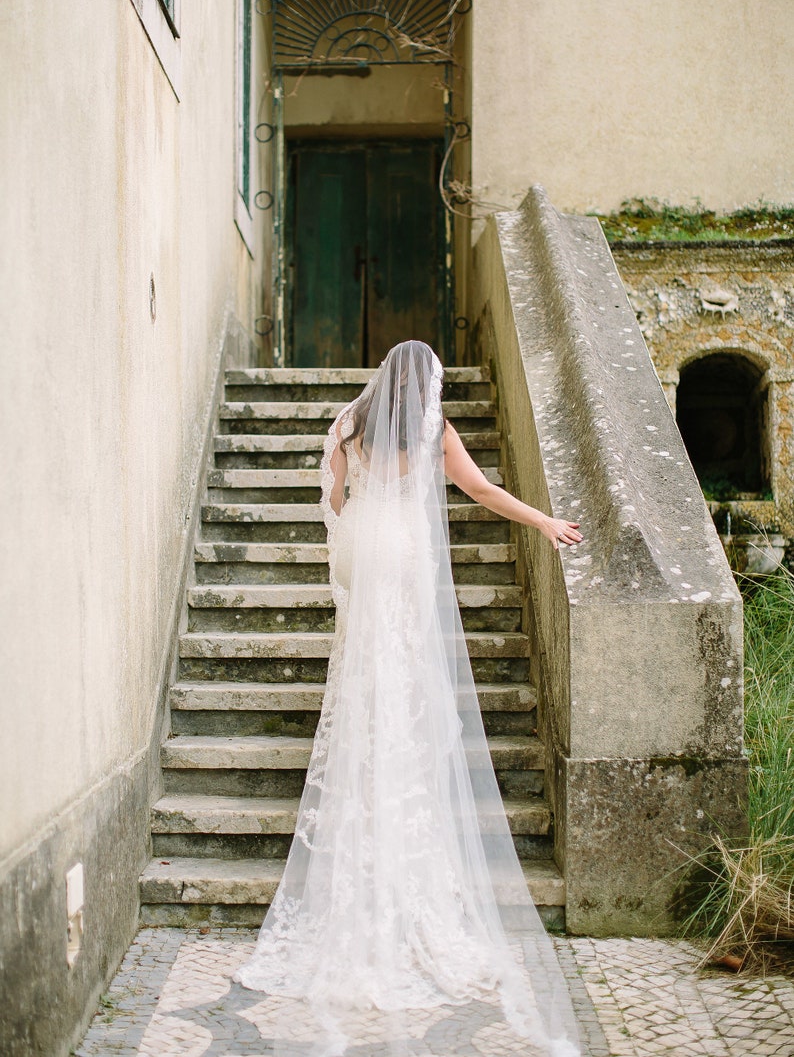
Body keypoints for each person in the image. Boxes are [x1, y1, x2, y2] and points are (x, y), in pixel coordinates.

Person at [233, 341, 584, 1057]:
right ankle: (402, 846)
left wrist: (345, 516)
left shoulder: (346, 422)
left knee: (360, 681)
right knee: (401, 685)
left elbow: (329, 495)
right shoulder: (432, 426)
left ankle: (356, 840)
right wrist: (544, 521)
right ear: (423, 385)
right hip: (401, 554)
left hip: (364, 547)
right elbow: (481, 491)